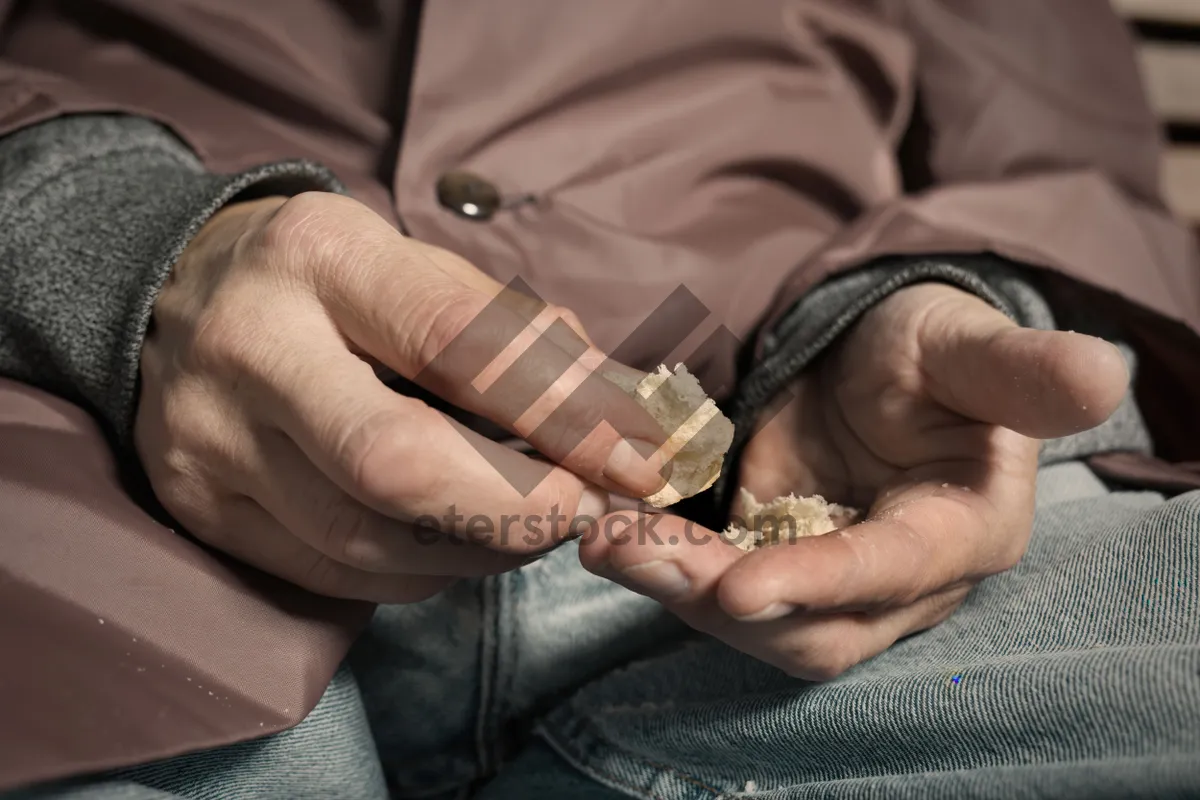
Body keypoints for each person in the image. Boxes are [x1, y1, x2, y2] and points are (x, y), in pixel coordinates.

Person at [1, 1, 1198, 798]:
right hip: (111, 482)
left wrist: (935, 305)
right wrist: (114, 241)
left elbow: (1073, 181)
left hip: (816, 530)